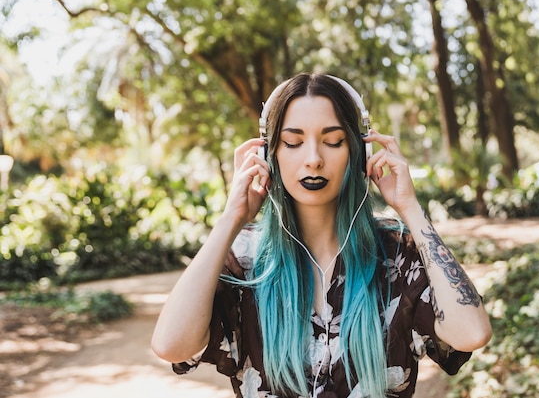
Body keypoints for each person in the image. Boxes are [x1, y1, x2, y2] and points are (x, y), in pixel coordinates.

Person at [151, 73, 492, 398]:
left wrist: (410, 209)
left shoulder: (398, 254)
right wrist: (231, 220)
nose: (313, 159)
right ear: (269, 155)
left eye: (332, 141)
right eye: (293, 142)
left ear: (360, 154)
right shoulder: (244, 257)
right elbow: (172, 345)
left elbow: (472, 333)